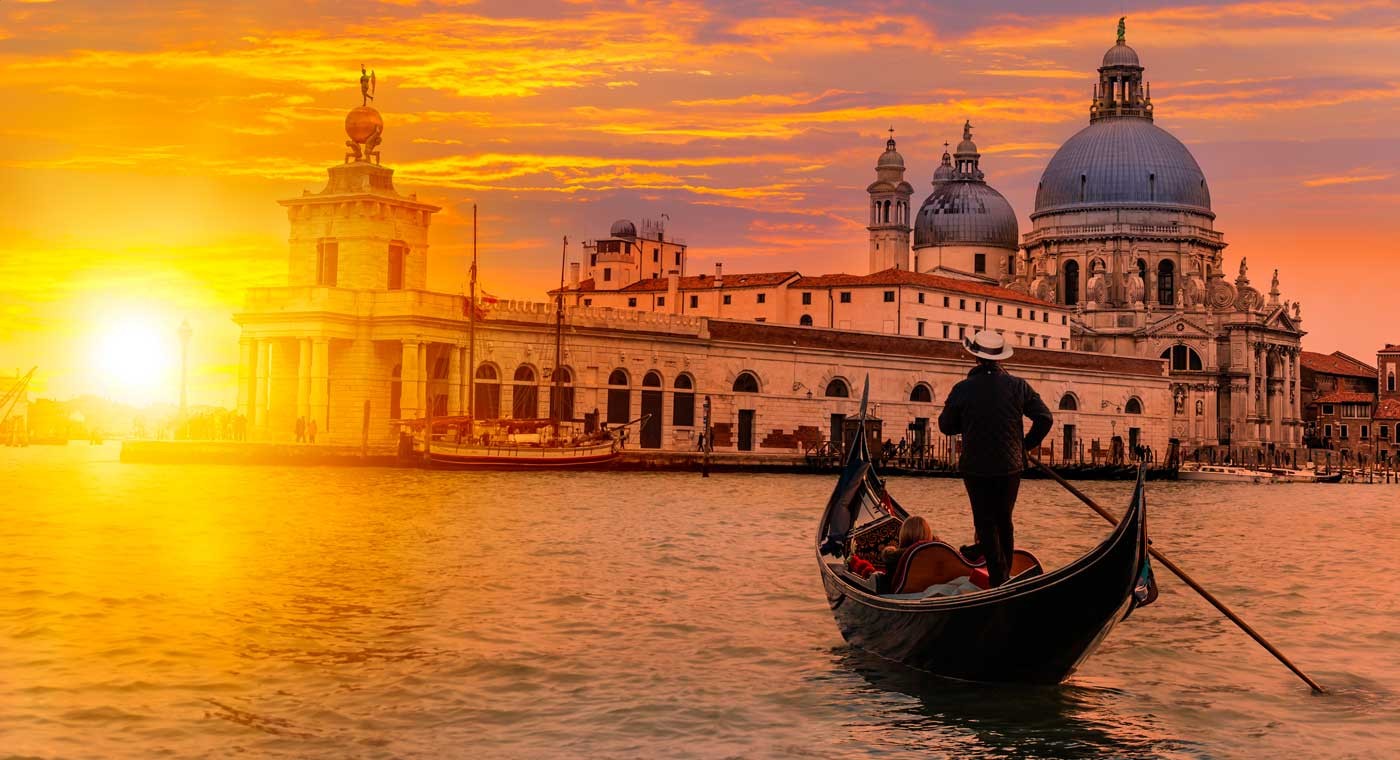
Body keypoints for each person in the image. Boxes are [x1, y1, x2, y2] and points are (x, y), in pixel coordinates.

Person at [938, 330, 1053, 587]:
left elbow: (945, 426)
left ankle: (999, 580)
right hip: (1010, 465)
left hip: (976, 466)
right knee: (1004, 520)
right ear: (1001, 359)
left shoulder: (963, 389)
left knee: (985, 523)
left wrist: (968, 423)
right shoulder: (1018, 386)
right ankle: (1005, 576)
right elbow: (1045, 418)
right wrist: (1024, 445)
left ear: (975, 358)